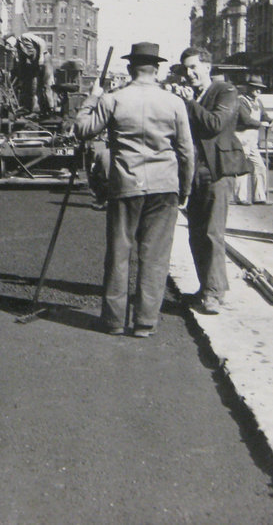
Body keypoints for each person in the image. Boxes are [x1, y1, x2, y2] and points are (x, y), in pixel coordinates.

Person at [74, 42, 194, 337]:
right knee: (154, 257)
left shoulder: (114, 99)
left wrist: (91, 99)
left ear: (130, 68)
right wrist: (186, 186)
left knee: (119, 253)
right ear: (157, 69)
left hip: (126, 185)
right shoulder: (174, 103)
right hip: (164, 186)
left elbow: (82, 130)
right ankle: (144, 323)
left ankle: (114, 321)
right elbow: (186, 151)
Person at [172, 47, 248, 315]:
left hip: (217, 170)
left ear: (207, 66)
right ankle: (205, 288)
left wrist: (189, 104)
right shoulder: (192, 94)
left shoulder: (224, 91)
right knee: (195, 233)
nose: (189, 73)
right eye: (186, 69)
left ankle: (215, 293)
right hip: (193, 171)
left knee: (212, 233)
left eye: (193, 67)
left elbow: (215, 124)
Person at [233, 74, 272, 206]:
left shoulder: (258, 102)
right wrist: (261, 124)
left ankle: (259, 196)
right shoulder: (241, 101)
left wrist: (271, 121)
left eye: (260, 88)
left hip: (252, 141)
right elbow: (245, 119)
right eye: (255, 88)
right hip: (241, 138)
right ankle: (240, 197)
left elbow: (265, 116)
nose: (258, 91)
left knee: (259, 166)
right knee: (242, 168)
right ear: (249, 87)